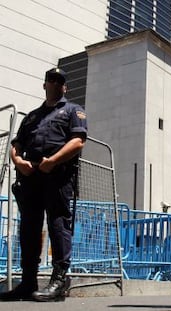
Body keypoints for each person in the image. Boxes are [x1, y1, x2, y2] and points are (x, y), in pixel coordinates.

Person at [0, 68, 87, 302]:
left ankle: (58, 282)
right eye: (52, 80)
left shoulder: (73, 110)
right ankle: (28, 283)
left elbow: (78, 141)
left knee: (58, 225)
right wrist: (19, 162)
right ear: (44, 85)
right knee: (28, 228)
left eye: (60, 81)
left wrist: (53, 161)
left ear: (65, 87)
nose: (56, 84)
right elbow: (16, 145)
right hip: (31, 176)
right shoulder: (31, 117)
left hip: (57, 175)